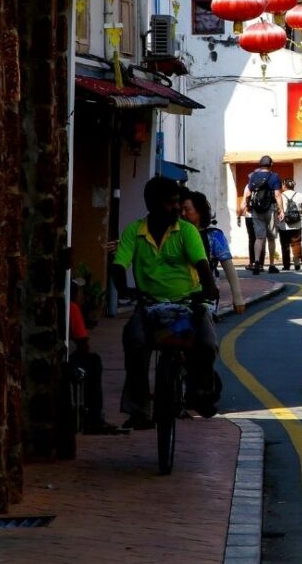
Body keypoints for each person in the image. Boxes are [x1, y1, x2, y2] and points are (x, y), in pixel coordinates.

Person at [111, 177, 220, 426]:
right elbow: (118, 265)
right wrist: (123, 288)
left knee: (207, 343)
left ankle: (201, 394)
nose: (176, 208)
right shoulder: (134, 231)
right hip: (149, 304)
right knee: (134, 341)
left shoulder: (187, 231)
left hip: (189, 303)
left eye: (178, 202)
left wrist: (209, 288)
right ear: (151, 204)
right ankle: (138, 410)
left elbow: (202, 264)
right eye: (170, 203)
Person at [67, 282, 119, 433]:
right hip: (71, 363)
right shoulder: (72, 307)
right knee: (94, 362)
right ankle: (94, 417)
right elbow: (82, 341)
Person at [182, 190, 244, 315]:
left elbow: (229, 268)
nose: (183, 214)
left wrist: (237, 297)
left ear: (199, 211)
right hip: (180, 293)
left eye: (187, 210)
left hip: (206, 294)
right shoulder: (176, 234)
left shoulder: (214, 236)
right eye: (181, 210)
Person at [238, 156, 283, 274]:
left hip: (256, 210)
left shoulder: (253, 176)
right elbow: (277, 195)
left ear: (260, 164)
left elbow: (248, 193)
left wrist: (244, 208)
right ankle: (271, 265)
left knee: (259, 238)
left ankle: (256, 262)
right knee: (271, 238)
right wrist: (281, 210)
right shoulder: (274, 176)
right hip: (270, 209)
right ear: (271, 164)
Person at [278, 178, 302, 272]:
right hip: (297, 224)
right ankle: (297, 263)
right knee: (296, 243)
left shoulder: (280, 196)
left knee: (284, 244)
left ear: (284, 185)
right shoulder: (300, 196)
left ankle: (286, 265)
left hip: (283, 225)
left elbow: (277, 209)